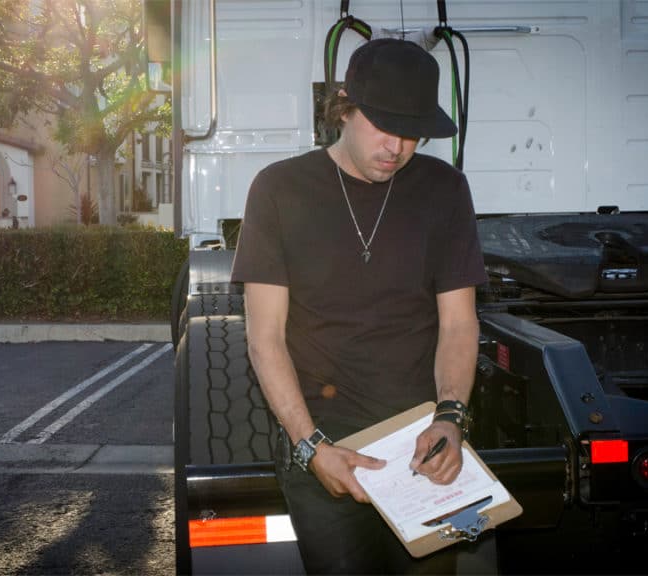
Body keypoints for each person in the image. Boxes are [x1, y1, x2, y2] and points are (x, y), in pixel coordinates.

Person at [230, 38, 488, 574]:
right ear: (343, 106)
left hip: (422, 450)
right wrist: (310, 447)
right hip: (326, 444)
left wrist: (451, 418)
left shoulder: (445, 190)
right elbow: (265, 337)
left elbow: (459, 325)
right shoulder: (279, 190)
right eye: (384, 126)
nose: (398, 147)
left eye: (412, 133)